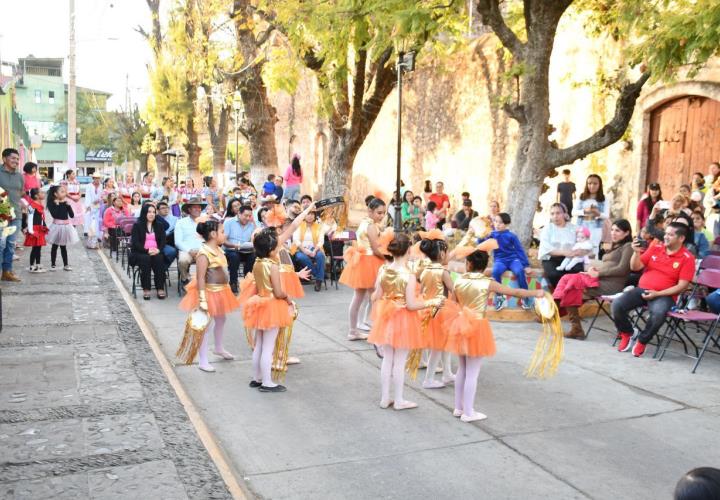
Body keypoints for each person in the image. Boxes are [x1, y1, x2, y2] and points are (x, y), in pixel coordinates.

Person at [448, 244, 544, 422]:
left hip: (460, 325)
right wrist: (536, 293)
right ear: (484, 266)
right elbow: (515, 291)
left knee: (462, 368)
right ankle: (468, 412)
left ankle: (458, 407)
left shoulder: (459, 280)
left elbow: (452, 304)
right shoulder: (487, 282)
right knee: (473, 372)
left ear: (468, 264)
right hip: (477, 327)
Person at [368, 233, 441, 410]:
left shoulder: (383, 269)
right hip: (403, 319)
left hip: (386, 316)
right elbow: (411, 305)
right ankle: (399, 400)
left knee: (387, 359)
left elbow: (375, 296)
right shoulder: (408, 274)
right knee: (399, 361)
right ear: (408, 250)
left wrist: (386, 303)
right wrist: (432, 302)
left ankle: (385, 398)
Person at [612, 222, 695, 357]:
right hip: (642, 289)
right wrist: (636, 252)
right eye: (666, 233)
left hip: (664, 295)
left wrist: (657, 293)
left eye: (670, 235)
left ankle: (643, 340)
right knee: (617, 304)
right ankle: (628, 333)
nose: (666, 237)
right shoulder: (656, 247)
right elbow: (635, 267)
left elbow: (682, 286)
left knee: (658, 313)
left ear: (681, 238)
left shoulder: (687, 258)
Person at [552, 219, 633, 340]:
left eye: (618, 231)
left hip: (613, 284)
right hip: (601, 278)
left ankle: (571, 326)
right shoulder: (616, 246)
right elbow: (608, 265)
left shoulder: (628, 247)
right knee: (567, 278)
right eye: (612, 230)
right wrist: (594, 269)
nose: (613, 233)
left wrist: (598, 273)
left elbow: (622, 269)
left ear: (626, 233)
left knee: (573, 286)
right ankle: (554, 312)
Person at [179, 220, 240, 372]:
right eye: (222, 231)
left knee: (221, 318)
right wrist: (202, 299)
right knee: (206, 325)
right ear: (213, 234)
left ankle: (218, 348)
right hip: (209, 292)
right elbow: (200, 277)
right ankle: (203, 360)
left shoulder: (219, 250)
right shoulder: (204, 253)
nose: (225, 234)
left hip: (221, 291)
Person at [243, 228, 294, 391]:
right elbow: (278, 292)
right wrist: (288, 299)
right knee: (268, 347)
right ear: (271, 251)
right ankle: (267, 382)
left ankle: (256, 378)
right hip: (272, 305)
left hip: (259, 303)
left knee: (259, 344)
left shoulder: (257, 262)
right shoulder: (272, 266)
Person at [340, 197, 387, 340]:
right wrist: (389, 259)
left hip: (362, 261)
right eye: (379, 212)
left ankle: (353, 330)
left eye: (383, 213)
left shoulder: (364, 223)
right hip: (370, 261)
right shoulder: (371, 226)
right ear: (370, 211)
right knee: (375, 297)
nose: (382, 215)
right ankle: (373, 329)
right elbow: (375, 248)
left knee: (360, 298)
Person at [416, 230, 458, 389]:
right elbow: (453, 290)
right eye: (446, 252)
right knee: (437, 347)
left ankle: (447, 373)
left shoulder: (425, 270)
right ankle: (428, 379)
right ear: (441, 254)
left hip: (427, 308)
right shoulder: (443, 271)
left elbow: (421, 291)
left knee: (442, 344)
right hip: (440, 311)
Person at [484, 213, 532, 311]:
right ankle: (500, 296)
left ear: (506, 224)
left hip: (513, 260)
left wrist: (526, 265)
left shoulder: (511, 236)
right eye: (496, 221)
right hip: (500, 261)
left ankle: (525, 296)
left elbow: (519, 250)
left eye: (500, 222)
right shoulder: (492, 235)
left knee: (519, 271)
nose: (497, 224)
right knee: (495, 272)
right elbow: (482, 243)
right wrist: (483, 236)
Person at [538, 203, 580, 289]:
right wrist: (564, 252)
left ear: (565, 214)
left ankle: (573, 298)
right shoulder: (547, 229)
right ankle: (560, 296)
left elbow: (581, 243)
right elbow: (547, 249)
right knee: (554, 274)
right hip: (551, 258)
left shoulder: (574, 228)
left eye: (558, 213)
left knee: (576, 270)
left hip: (570, 258)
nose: (555, 216)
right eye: (552, 214)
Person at [292, 209, 336, 292]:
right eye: (308, 214)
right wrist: (304, 250)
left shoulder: (319, 226)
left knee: (320, 256)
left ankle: (318, 281)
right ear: (304, 215)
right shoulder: (299, 225)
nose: (310, 216)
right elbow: (296, 240)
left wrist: (314, 251)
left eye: (312, 214)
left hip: (315, 248)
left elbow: (321, 241)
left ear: (315, 216)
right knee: (301, 258)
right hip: (301, 249)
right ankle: (320, 276)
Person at [130, 204, 167, 300]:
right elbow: (135, 243)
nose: (152, 214)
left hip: (156, 251)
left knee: (159, 259)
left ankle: (160, 287)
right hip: (141, 252)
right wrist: (147, 250)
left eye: (154, 212)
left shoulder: (159, 225)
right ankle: (146, 288)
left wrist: (158, 250)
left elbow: (163, 241)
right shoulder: (137, 225)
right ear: (144, 213)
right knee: (145, 259)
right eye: (149, 212)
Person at [0, 148, 24, 282]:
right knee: (0, 244)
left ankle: (6, 272)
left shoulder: (19, 176)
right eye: (13, 158)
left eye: (17, 159)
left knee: (10, 244)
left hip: (16, 215)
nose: (16, 161)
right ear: (4, 159)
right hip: (1, 215)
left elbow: (20, 192)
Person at [572, 174, 610, 257]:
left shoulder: (604, 199)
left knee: (593, 249)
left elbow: (606, 215)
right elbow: (573, 212)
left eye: (595, 183)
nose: (592, 186)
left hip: (596, 228)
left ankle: (591, 268)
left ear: (599, 185)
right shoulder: (581, 197)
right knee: (580, 248)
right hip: (581, 227)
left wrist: (598, 213)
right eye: (589, 183)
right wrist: (585, 211)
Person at [46, 185, 80, 271]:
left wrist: (68, 206)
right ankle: (53, 265)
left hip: (66, 227)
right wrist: (58, 205)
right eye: (62, 192)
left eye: (64, 191)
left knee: (63, 246)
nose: (64, 193)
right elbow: (55, 215)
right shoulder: (52, 203)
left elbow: (72, 216)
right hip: (56, 227)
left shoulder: (65, 203)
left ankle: (66, 264)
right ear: (55, 194)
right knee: (55, 246)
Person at [224, 204, 257, 293]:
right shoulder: (229, 222)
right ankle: (233, 282)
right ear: (239, 213)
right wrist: (234, 246)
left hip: (246, 250)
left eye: (249, 216)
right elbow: (224, 240)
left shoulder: (251, 225)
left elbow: (254, 240)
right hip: (231, 249)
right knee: (234, 256)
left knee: (254, 256)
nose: (247, 218)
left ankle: (247, 281)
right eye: (245, 215)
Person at [175, 197, 207, 285]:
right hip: (187, 250)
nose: (198, 209)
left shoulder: (205, 221)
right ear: (189, 209)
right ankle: (186, 278)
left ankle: (205, 281)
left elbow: (209, 239)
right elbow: (178, 241)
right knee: (183, 261)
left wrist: (202, 250)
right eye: (195, 207)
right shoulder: (181, 222)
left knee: (213, 260)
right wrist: (189, 250)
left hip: (203, 250)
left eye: (199, 207)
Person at [22, 188, 49, 273]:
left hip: (39, 228)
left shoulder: (38, 204)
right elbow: (29, 218)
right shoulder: (32, 205)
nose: (43, 193)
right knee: (35, 248)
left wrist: (44, 225)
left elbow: (41, 217)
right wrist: (31, 230)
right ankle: (32, 266)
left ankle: (38, 265)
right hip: (34, 229)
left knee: (38, 247)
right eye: (41, 192)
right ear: (36, 196)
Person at [84, 172, 103, 248]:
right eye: (95, 178)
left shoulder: (101, 186)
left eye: (98, 178)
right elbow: (87, 196)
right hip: (91, 206)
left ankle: (96, 242)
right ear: (93, 178)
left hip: (99, 207)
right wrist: (88, 206)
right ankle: (90, 242)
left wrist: (99, 200)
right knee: (90, 223)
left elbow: (102, 196)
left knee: (97, 224)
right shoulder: (89, 186)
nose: (97, 180)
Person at [156, 201, 178, 268]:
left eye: (167, 208)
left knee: (174, 251)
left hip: (171, 241)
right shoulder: (155, 218)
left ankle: (161, 269)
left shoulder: (175, 219)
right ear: (157, 210)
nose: (166, 209)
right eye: (163, 208)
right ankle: (160, 269)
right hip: (158, 242)